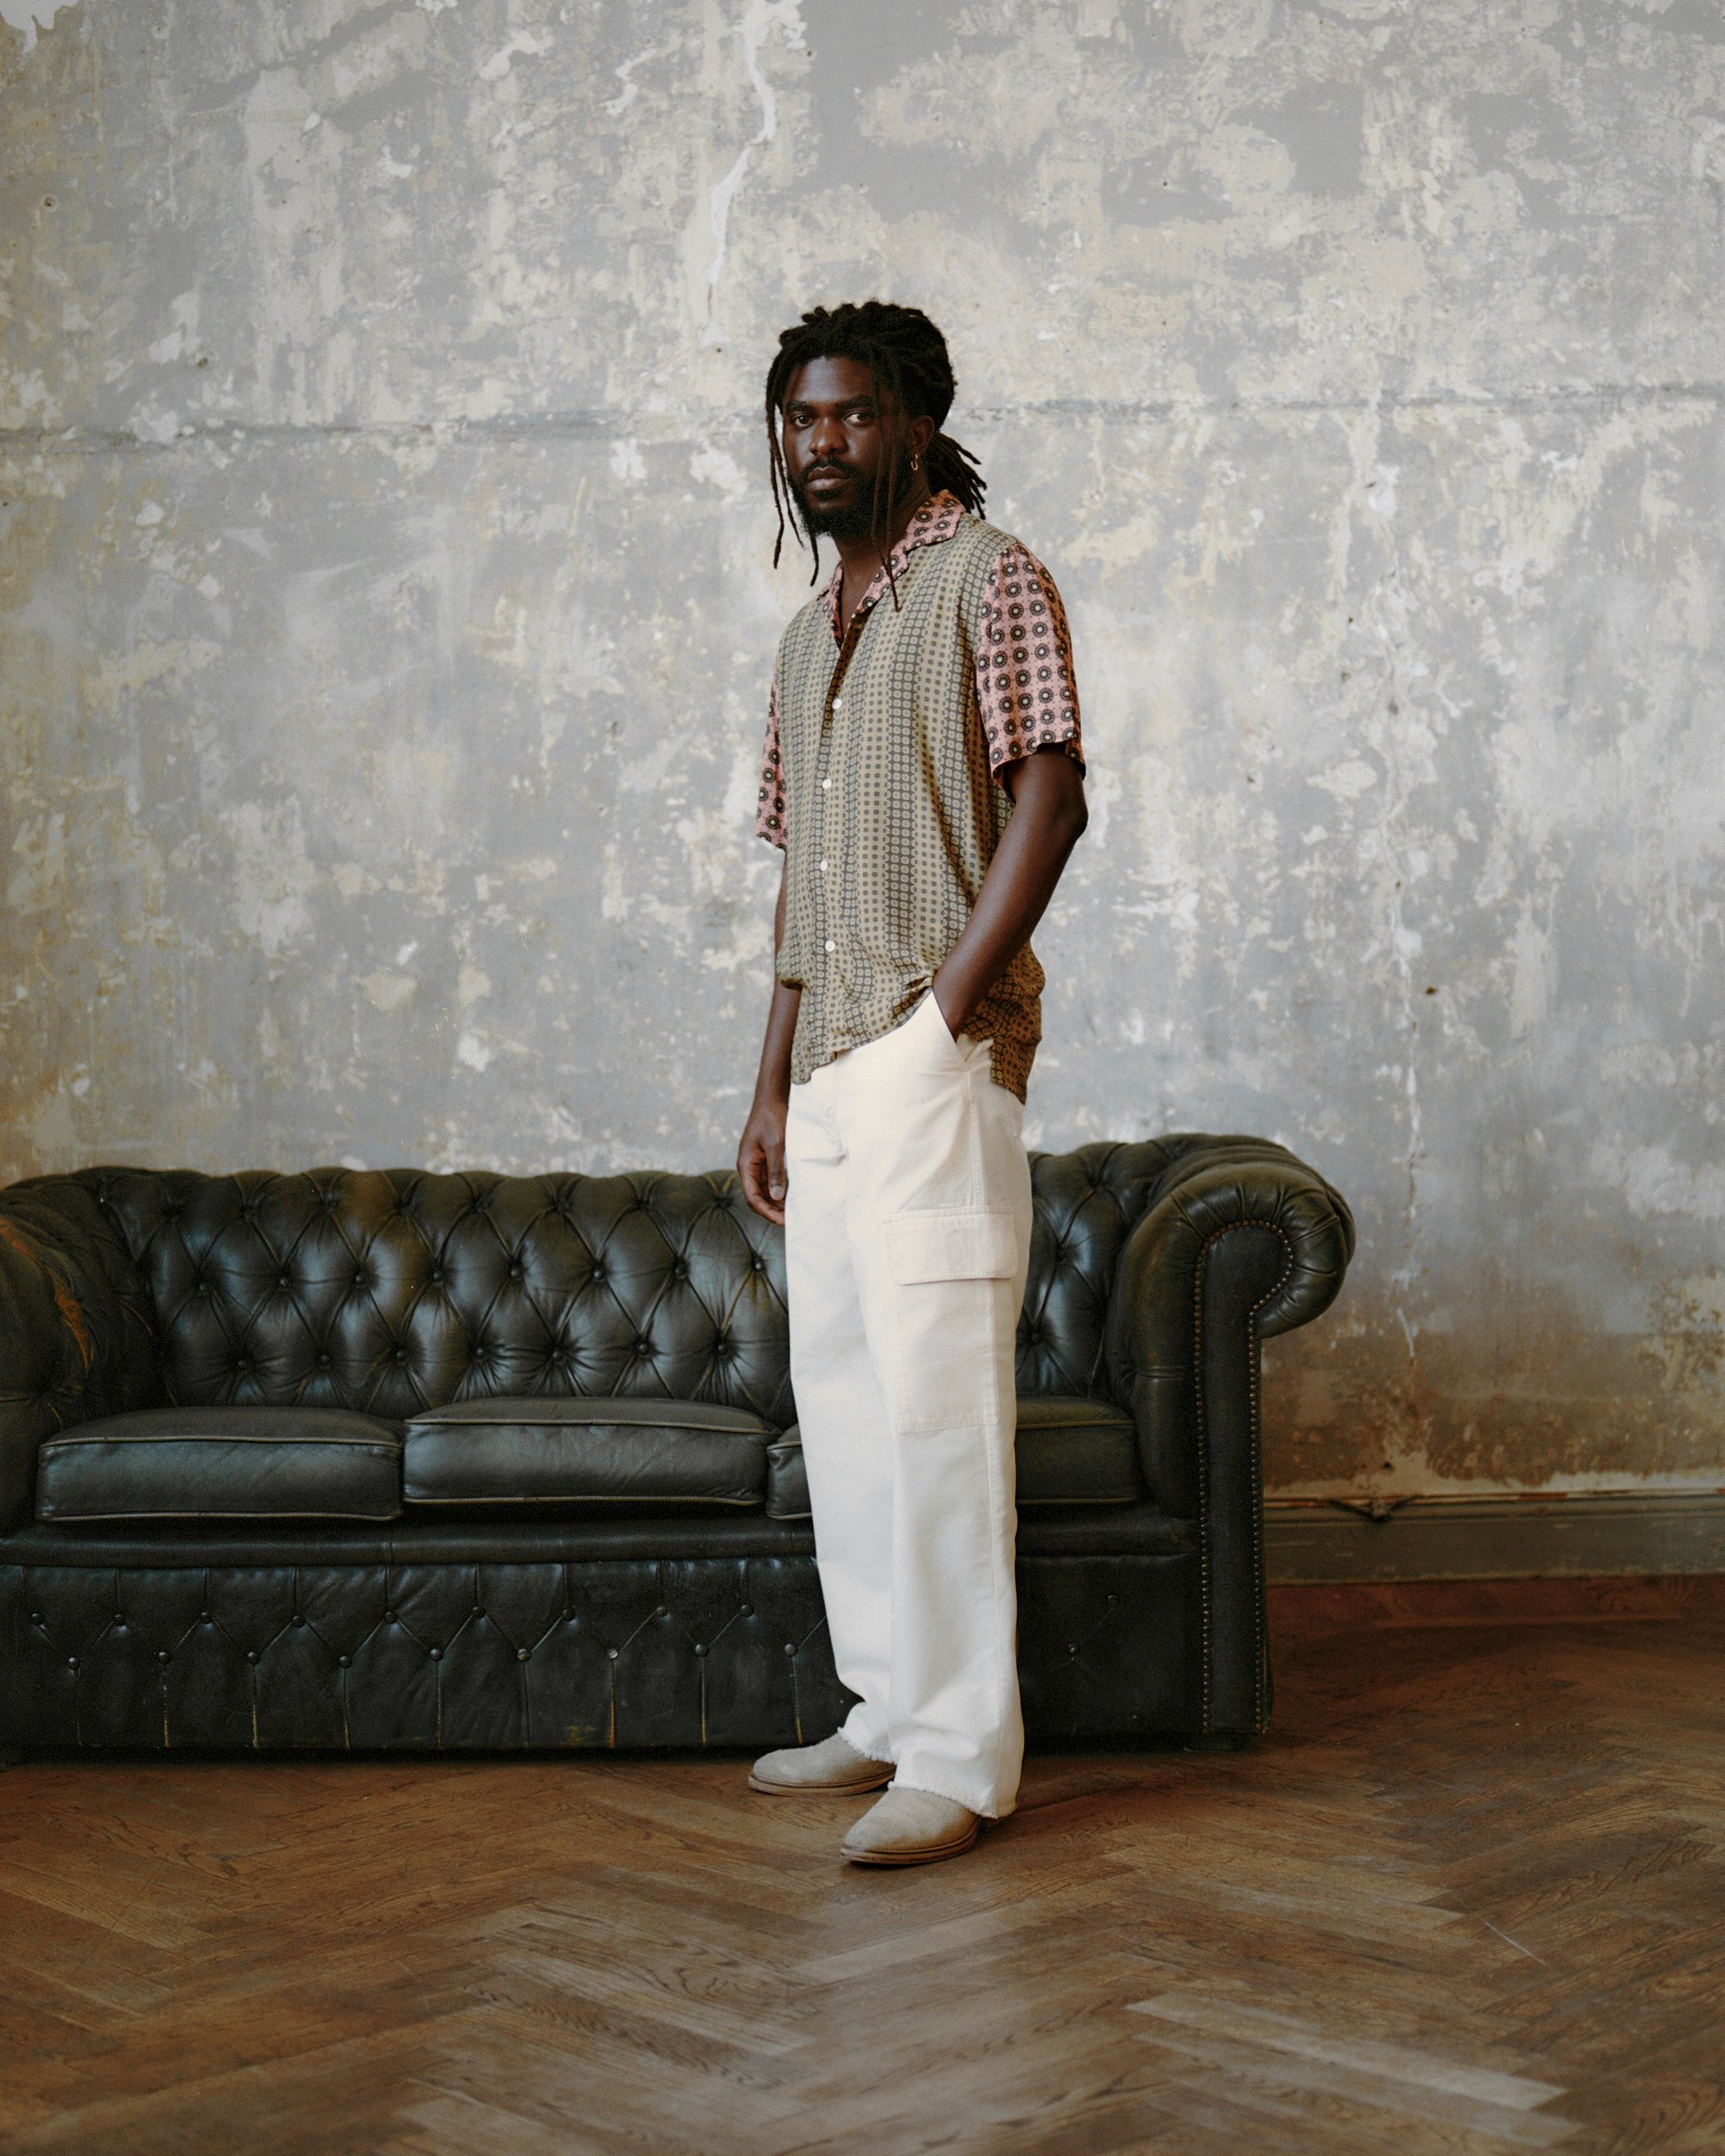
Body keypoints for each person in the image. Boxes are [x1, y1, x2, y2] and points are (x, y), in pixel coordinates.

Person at [736, 301, 1088, 1867]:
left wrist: (945, 1018)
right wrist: (767, 1087)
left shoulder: (992, 581)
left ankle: (957, 1756)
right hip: (823, 1081)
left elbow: (1053, 803)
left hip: (935, 1067)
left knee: (940, 1421)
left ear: (920, 420)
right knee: (852, 1411)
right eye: (802, 420)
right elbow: (802, 885)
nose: (824, 443)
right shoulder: (806, 635)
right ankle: (884, 1708)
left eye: (854, 416)